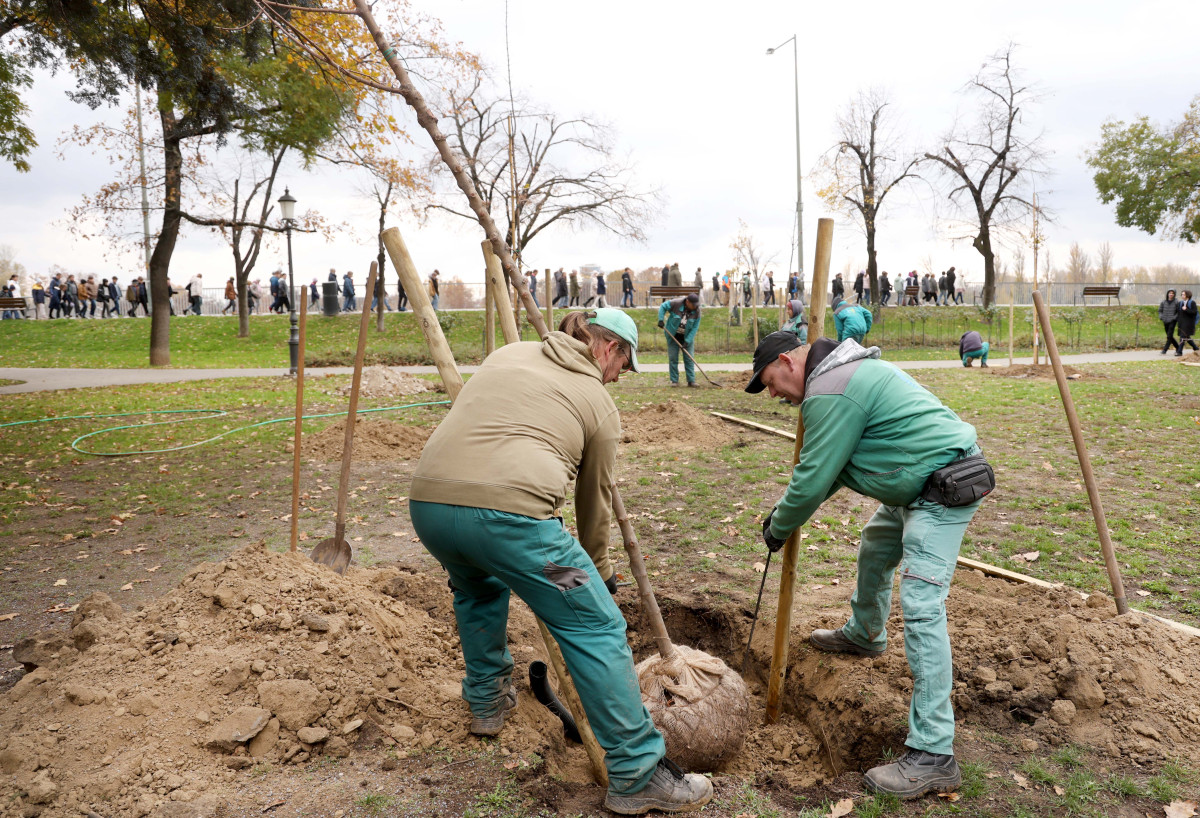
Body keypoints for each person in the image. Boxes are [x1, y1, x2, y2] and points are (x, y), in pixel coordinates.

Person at [409, 309, 712, 814]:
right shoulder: (598, 403)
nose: (618, 378)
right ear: (609, 349)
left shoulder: (508, 355)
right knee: (596, 625)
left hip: (432, 510)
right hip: (518, 531)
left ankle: (486, 703)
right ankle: (638, 774)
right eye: (624, 366)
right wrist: (599, 575)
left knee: (478, 588)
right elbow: (592, 508)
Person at [745, 330, 993, 800]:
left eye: (770, 382)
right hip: (913, 485)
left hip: (942, 490)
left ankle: (934, 754)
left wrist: (779, 525)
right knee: (876, 546)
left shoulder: (831, 390)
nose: (773, 394)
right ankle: (865, 633)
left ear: (787, 361)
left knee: (920, 604)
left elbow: (813, 478)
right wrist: (788, 511)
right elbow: (831, 470)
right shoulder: (838, 379)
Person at [657, 293, 701, 387]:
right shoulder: (675, 303)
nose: (695, 307)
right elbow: (663, 306)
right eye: (693, 304)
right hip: (673, 335)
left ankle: (691, 381)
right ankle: (674, 381)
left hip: (687, 337)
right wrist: (661, 320)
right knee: (673, 358)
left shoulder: (697, 311)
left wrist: (687, 341)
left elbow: (695, 328)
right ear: (688, 302)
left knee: (689, 359)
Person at [1159, 289, 1181, 355]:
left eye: (1172, 293)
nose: (1171, 294)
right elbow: (1160, 310)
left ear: (1174, 294)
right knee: (1169, 336)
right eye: (1170, 293)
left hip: (1172, 321)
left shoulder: (1176, 302)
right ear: (1167, 294)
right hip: (1165, 321)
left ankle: (1164, 350)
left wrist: (1174, 318)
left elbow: (1178, 312)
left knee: (1169, 335)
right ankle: (1178, 347)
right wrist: (1161, 317)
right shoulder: (1163, 302)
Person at [1176, 290, 1198, 355]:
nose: (1182, 296)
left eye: (1183, 294)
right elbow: (1178, 313)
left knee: (1183, 336)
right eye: (1182, 294)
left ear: (1187, 295)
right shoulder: (1180, 303)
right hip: (1181, 323)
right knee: (1186, 337)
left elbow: (1194, 312)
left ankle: (1179, 352)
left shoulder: (1192, 303)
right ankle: (1196, 348)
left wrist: (1186, 309)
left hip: (1189, 323)